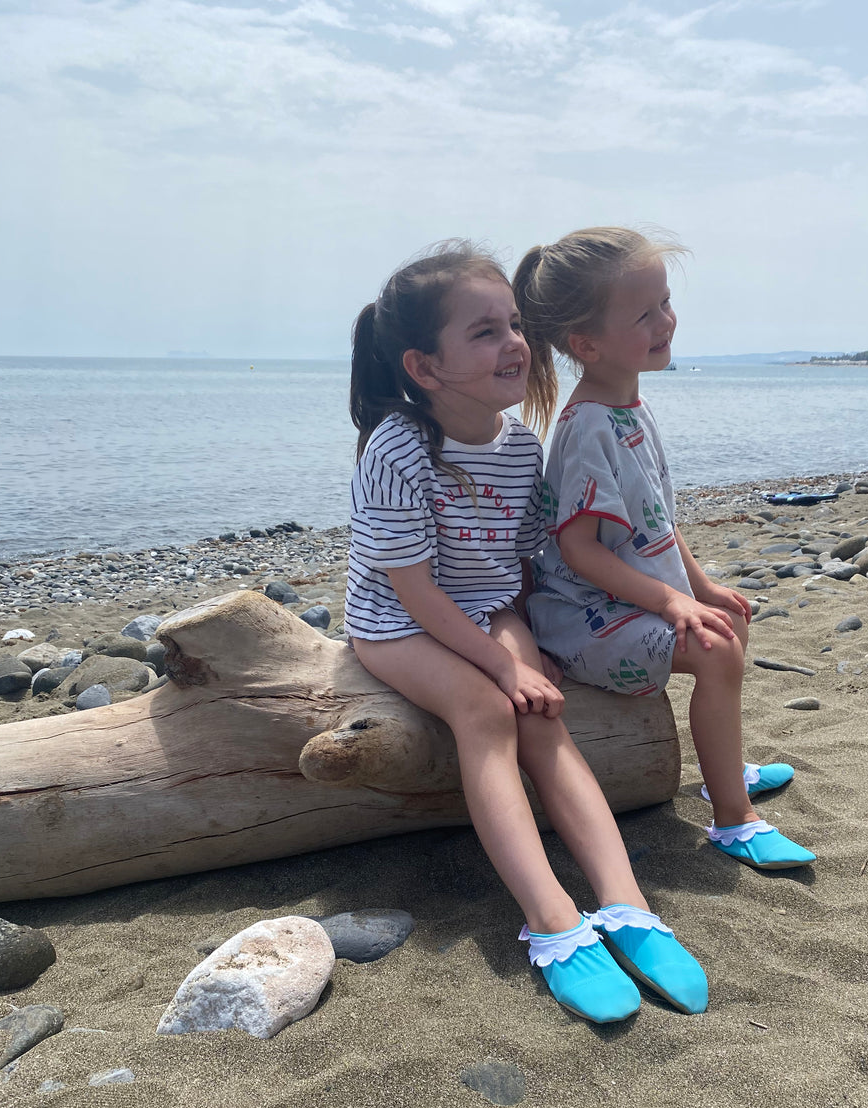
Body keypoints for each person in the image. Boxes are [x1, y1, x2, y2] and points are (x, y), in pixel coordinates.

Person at [344, 241, 708, 1024]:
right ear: (424, 366)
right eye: (483, 332)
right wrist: (502, 670)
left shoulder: (519, 448)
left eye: (513, 323)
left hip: (485, 606)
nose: (515, 342)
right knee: (486, 712)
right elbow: (415, 592)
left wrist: (534, 649)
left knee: (546, 713)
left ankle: (625, 904)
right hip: (398, 622)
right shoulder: (396, 449)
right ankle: (551, 918)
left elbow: (516, 570)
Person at [513, 227, 815, 871]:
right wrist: (674, 603)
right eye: (643, 314)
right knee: (712, 644)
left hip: (625, 599)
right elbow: (581, 552)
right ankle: (734, 819)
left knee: (727, 619)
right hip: (583, 617)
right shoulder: (589, 425)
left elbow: (657, 520)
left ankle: (722, 770)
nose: (665, 321)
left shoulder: (631, 409)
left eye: (665, 303)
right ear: (585, 344)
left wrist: (700, 588)